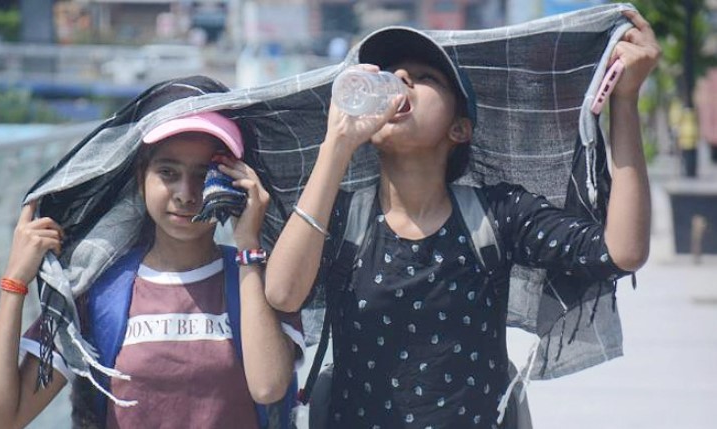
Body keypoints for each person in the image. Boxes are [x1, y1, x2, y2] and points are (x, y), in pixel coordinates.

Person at [266, 10, 658, 429]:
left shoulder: (497, 215)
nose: (399, 77)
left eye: (424, 77)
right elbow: (283, 293)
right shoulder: (343, 218)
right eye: (388, 72)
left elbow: (622, 250)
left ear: (460, 129)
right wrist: (337, 146)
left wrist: (626, 101)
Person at [0, 76, 303, 428]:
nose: (185, 193)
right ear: (140, 176)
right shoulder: (96, 290)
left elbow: (269, 387)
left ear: (235, 180)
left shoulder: (261, 280)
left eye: (203, 175)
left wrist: (248, 246)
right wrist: (14, 283)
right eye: (168, 172)